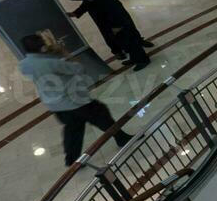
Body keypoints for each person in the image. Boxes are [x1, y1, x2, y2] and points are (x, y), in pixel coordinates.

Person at [19, 34, 132, 165]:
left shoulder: (24, 65)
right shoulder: (51, 63)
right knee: (102, 116)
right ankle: (121, 138)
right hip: (75, 101)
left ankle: (72, 160)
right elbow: (78, 68)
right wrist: (64, 53)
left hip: (54, 104)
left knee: (73, 130)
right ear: (42, 46)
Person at [65, 0, 151, 69]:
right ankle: (134, 58)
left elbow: (111, 7)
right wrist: (75, 13)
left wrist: (116, 25)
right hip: (106, 19)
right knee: (123, 41)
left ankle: (142, 60)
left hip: (114, 19)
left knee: (128, 39)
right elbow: (87, 3)